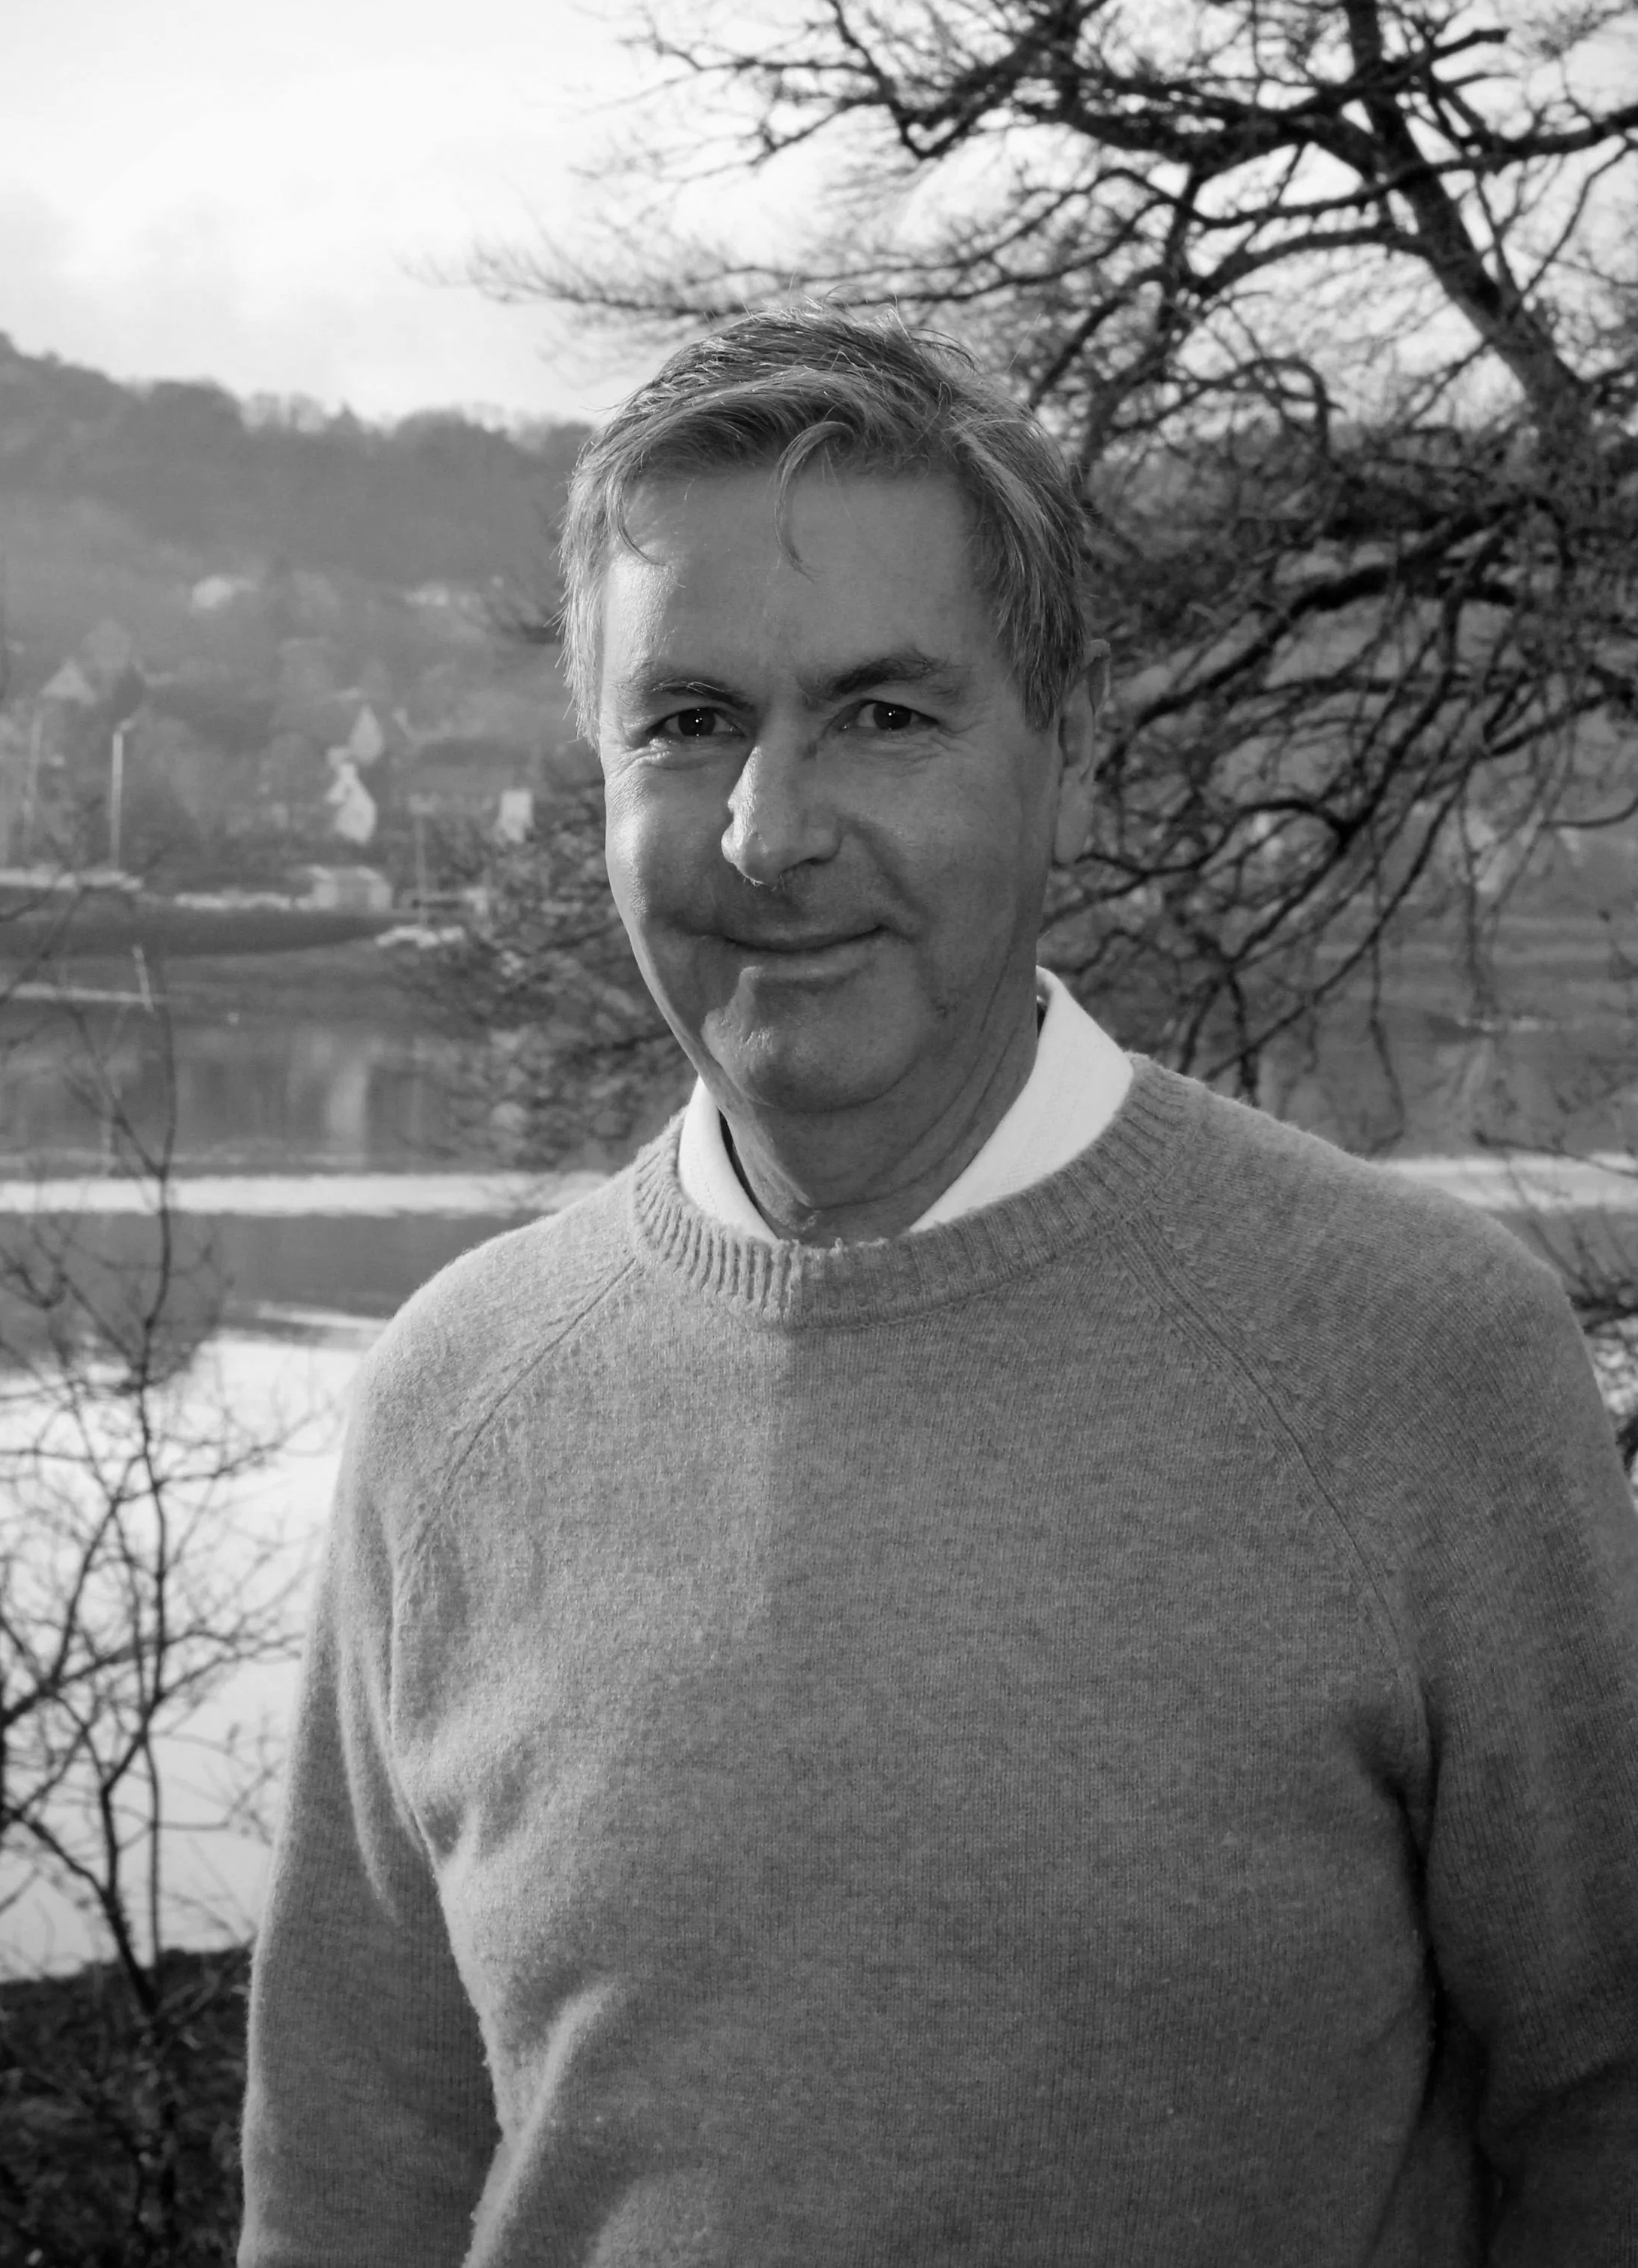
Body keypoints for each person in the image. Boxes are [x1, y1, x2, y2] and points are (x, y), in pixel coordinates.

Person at [239, 307, 1638, 2266]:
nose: (767, 828)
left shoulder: (1414, 1362)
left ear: (1056, 758)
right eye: (687, 720)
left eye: (882, 713)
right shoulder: (451, 1402)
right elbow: (352, 2177)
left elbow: (1602, 2109)